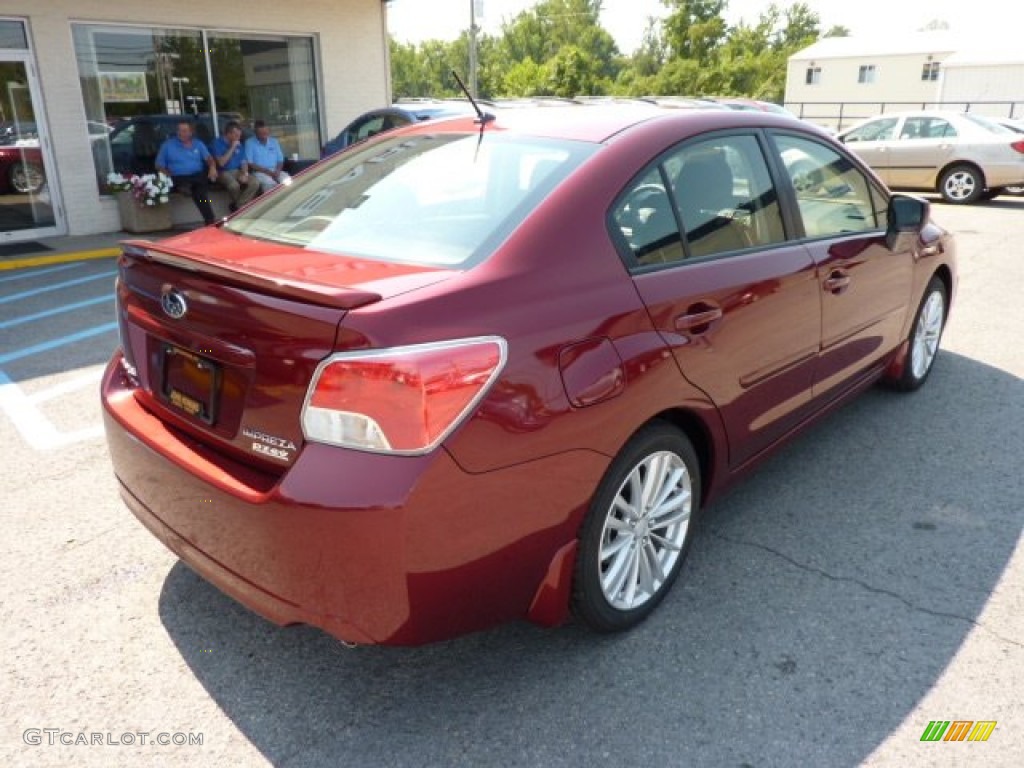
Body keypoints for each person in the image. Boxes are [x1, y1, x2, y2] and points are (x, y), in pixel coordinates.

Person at [155, 119, 219, 225]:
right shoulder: (168, 145)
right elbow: (158, 164)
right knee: (188, 184)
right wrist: (167, 173)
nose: (181, 133)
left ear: (191, 132)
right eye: (179, 130)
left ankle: (210, 220)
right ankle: (185, 187)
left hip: (197, 177)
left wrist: (213, 167)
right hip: (177, 177)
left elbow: (209, 159)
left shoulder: (198, 144)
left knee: (201, 196)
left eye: (184, 131)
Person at [211, 120, 259, 212]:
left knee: (255, 182)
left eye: (239, 135)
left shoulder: (238, 143)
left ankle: (238, 207)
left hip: (237, 170)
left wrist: (245, 173)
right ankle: (243, 209)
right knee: (234, 185)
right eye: (236, 135)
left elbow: (244, 162)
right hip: (222, 172)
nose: (239, 138)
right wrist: (232, 147)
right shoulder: (217, 143)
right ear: (228, 134)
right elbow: (221, 163)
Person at [244, 120, 291, 193]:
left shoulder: (274, 141)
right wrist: (268, 172)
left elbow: (280, 160)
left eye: (265, 133)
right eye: (261, 133)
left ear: (268, 131)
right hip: (260, 172)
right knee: (271, 186)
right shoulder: (249, 143)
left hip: (275, 170)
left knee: (288, 181)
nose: (264, 136)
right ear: (255, 133)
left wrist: (278, 171)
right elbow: (250, 163)